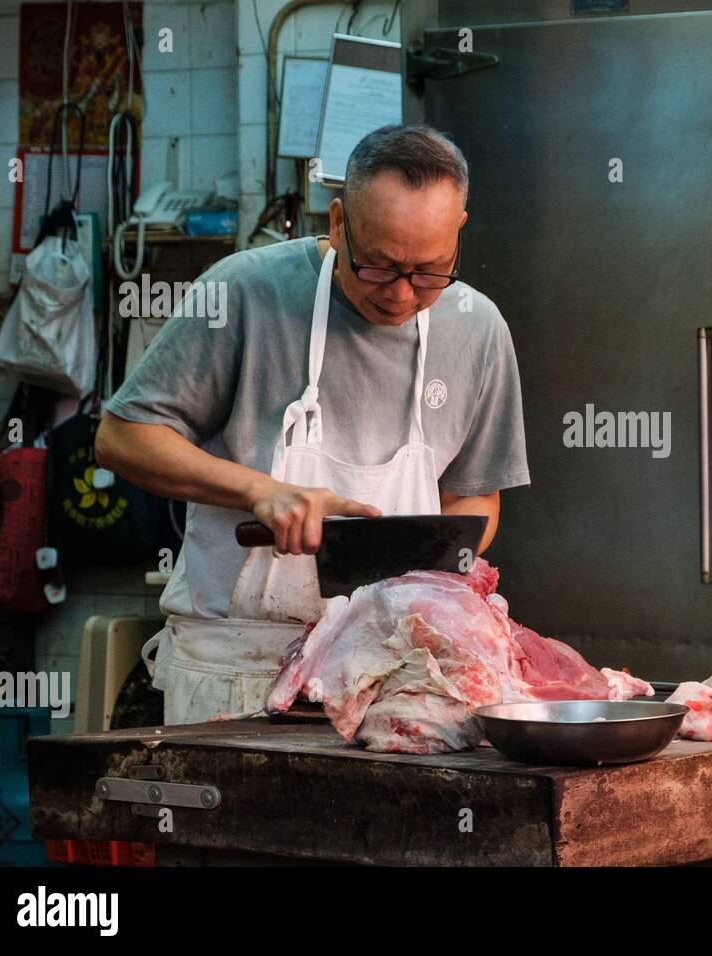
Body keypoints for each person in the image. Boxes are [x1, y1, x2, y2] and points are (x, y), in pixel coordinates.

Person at [96, 124, 530, 723]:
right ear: (336, 222)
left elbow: (475, 496)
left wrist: (416, 599)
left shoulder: (479, 328)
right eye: (378, 266)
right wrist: (261, 491)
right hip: (238, 674)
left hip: (394, 673)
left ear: (459, 230)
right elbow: (122, 436)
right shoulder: (242, 293)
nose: (402, 294)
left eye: (429, 271)